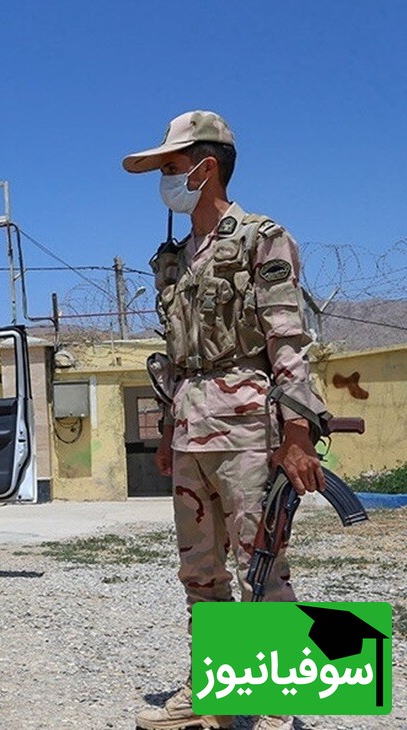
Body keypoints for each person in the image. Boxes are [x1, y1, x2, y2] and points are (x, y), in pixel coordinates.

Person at [124, 111, 326, 730]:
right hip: (190, 427)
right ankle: (216, 691)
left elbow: (287, 337)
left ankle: (276, 702)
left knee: (260, 560)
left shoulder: (262, 238)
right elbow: (176, 353)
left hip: (246, 425)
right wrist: (166, 431)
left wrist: (297, 434)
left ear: (205, 167)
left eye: (171, 166)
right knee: (200, 568)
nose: (165, 177)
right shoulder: (176, 256)